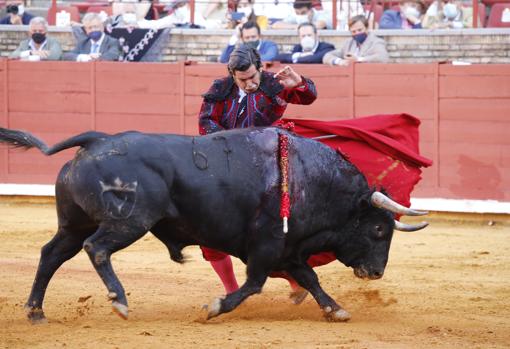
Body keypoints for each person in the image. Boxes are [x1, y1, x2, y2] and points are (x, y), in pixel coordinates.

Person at [198, 46, 317, 295]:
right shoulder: (219, 90)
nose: (250, 83)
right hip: (227, 163)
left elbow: (308, 97)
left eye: (253, 76)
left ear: (261, 68)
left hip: (268, 164)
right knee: (210, 229)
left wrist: (300, 84)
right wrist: (230, 143)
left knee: (271, 227)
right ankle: (232, 290)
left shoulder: (275, 84)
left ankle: (295, 281)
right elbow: (206, 123)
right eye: (243, 79)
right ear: (232, 74)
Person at [323, 15, 389, 66]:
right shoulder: (349, 43)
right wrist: (339, 61)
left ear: (367, 28)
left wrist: (358, 59)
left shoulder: (376, 42)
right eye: (353, 31)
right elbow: (327, 56)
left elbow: (383, 57)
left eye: (360, 30)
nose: (357, 33)